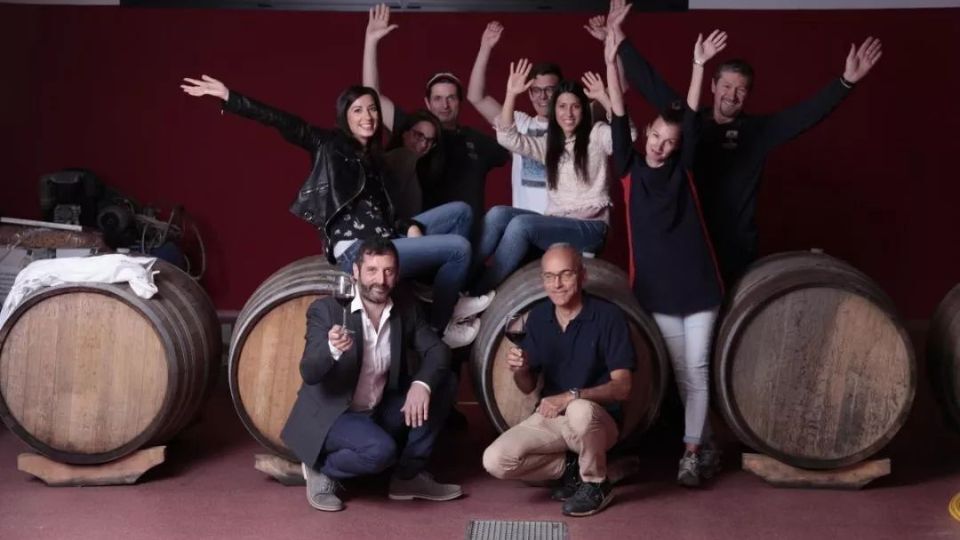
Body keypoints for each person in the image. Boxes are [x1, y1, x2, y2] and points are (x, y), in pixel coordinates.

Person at [180, 76, 490, 347]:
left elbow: (385, 213)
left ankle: (443, 295)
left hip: (387, 237)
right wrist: (230, 97)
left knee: (461, 212)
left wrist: (408, 225)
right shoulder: (329, 146)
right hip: (359, 249)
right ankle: (440, 327)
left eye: (372, 109)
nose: (367, 116)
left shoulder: (374, 160)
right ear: (345, 116)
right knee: (459, 248)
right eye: (358, 110)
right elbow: (286, 123)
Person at [606, 0, 883, 284]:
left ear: (747, 95)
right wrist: (619, 36)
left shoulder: (757, 132)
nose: (732, 95)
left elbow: (804, 115)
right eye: (726, 86)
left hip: (735, 248)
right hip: (690, 242)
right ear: (713, 86)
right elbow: (650, 83)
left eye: (740, 90)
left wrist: (845, 82)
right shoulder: (691, 120)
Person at [605, 7, 727, 486]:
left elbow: (692, 120)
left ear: (677, 148)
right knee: (682, 374)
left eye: (668, 141)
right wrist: (610, 51)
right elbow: (618, 111)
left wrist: (698, 66)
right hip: (656, 292)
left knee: (697, 369)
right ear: (646, 135)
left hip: (699, 288)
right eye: (655, 135)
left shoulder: (683, 172)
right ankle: (705, 443)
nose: (659, 145)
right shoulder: (629, 170)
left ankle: (691, 453)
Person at [280, 237, 461, 511]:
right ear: (355, 271)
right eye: (372, 270)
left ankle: (407, 476)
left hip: (378, 408)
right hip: (334, 415)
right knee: (381, 451)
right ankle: (321, 469)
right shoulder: (327, 310)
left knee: (443, 382)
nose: (381, 280)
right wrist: (331, 349)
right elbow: (310, 372)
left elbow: (438, 350)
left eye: (388, 271)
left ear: (397, 274)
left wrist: (422, 384)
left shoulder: (405, 307)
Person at [482, 244, 635, 517]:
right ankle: (572, 469)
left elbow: (623, 388)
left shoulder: (608, 316)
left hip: (597, 423)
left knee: (579, 409)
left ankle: (596, 484)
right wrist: (521, 370)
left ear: (582, 276)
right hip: (552, 419)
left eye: (566, 274)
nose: (557, 284)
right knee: (495, 460)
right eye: (550, 276)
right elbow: (527, 387)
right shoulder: (539, 317)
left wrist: (570, 396)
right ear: (542, 279)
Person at [471, 61, 632, 295]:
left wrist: (605, 99)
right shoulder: (550, 146)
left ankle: (480, 292)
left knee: (521, 225)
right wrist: (511, 94)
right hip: (558, 222)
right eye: (562, 107)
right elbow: (508, 138)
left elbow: (628, 137)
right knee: (498, 214)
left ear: (584, 109)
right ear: (554, 111)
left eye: (575, 107)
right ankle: (465, 281)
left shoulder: (597, 134)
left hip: (591, 228)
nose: (568, 114)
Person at [362, 4, 510, 235]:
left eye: (451, 98)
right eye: (438, 98)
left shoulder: (476, 141)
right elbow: (373, 99)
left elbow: (515, 140)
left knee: (503, 218)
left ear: (460, 102)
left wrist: (485, 49)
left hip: (470, 242)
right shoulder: (415, 131)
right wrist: (371, 42)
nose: (444, 104)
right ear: (428, 102)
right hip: (424, 237)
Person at [466, 21, 563, 214]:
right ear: (530, 93)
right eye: (536, 90)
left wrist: (612, 44)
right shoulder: (518, 122)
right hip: (525, 222)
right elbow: (477, 97)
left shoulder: (574, 123)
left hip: (561, 221)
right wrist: (485, 47)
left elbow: (616, 94)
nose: (543, 97)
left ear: (561, 91)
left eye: (549, 90)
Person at [384, 109, 444, 220]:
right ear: (405, 133)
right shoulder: (397, 157)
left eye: (430, 140)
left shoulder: (424, 170)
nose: (424, 144)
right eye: (418, 135)